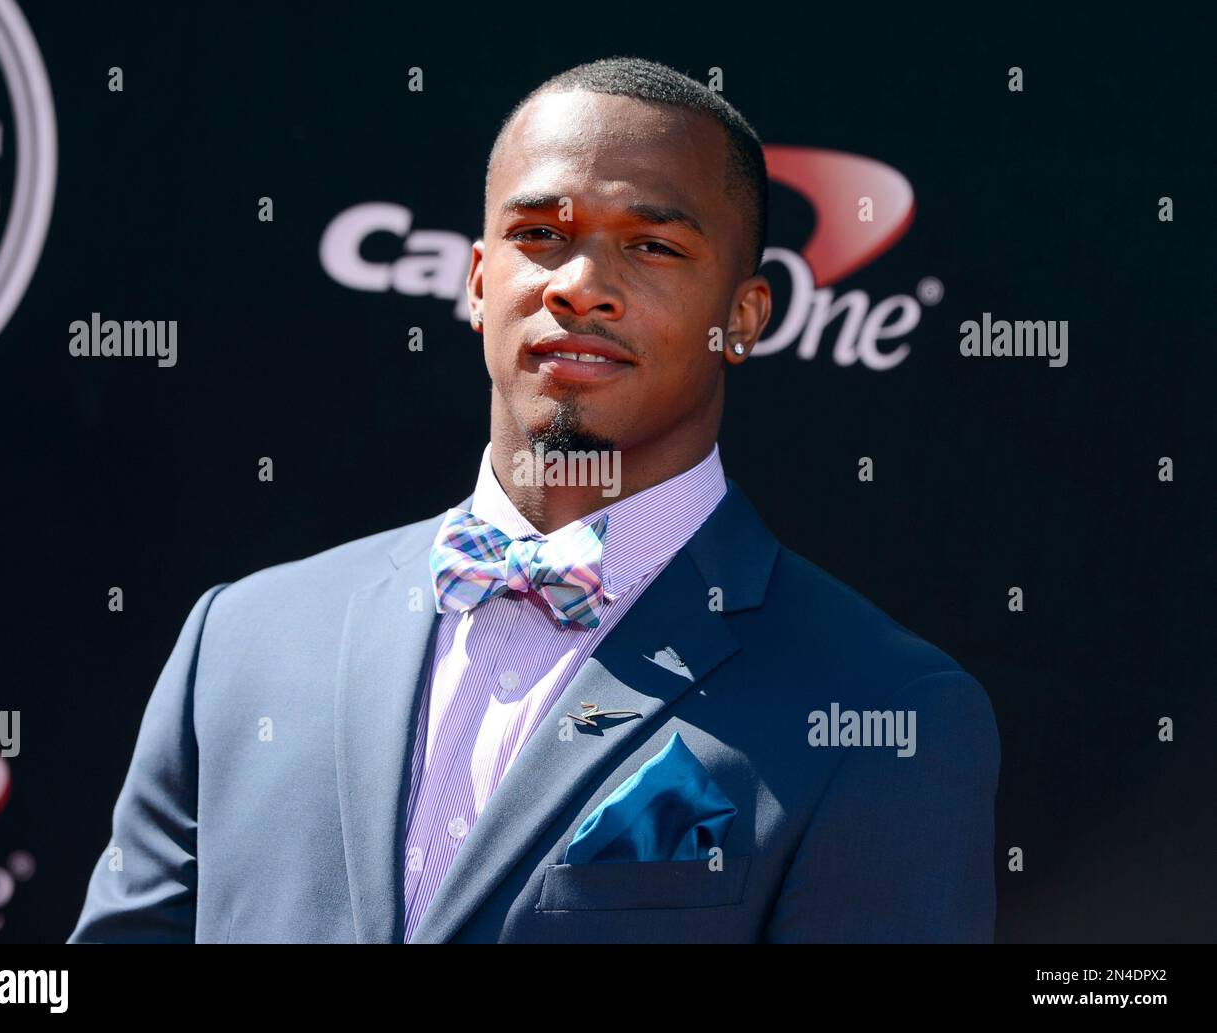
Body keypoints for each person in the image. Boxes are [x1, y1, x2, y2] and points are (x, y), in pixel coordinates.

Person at [68, 56, 999, 944]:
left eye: (653, 245)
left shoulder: (885, 706)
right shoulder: (241, 639)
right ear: (478, 282)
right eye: (540, 235)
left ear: (744, 317)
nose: (581, 287)